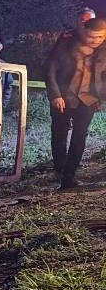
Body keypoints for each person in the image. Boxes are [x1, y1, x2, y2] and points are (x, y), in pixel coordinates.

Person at [43, 17, 106, 191]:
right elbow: (50, 68)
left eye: (100, 37)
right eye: (92, 37)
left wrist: (101, 98)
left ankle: (69, 175)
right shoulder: (66, 42)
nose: (96, 41)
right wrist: (55, 95)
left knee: (80, 135)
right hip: (63, 97)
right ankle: (59, 169)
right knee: (59, 133)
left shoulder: (104, 48)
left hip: (88, 99)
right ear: (84, 31)